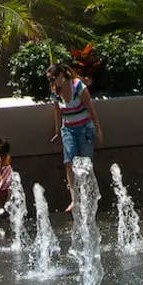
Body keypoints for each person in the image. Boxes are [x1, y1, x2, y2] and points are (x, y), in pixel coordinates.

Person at [48, 63, 101, 212]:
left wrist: (98, 128)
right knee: (69, 162)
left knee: (85, 163)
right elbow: (57, 111)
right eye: (50, 80)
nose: (52, 82)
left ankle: (89, 197)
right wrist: (58, 131)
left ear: (61, 76)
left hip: (84, 128)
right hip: (68, 129)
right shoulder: (56, 90)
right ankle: (75, 199)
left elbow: (90, 108)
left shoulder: (78, 86)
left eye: (53, 78)